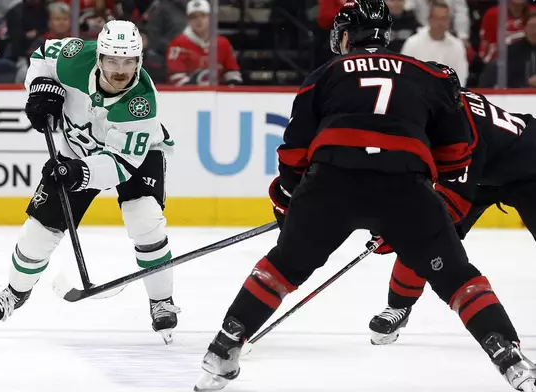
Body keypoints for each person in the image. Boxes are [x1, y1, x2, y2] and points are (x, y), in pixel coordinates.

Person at [193, 0, 536, 390]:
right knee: (459, 278)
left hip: (331, 183)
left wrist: (289, 207)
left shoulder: (322, 75)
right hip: (404, 188)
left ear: (344, 36)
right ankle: (509, 356)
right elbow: (457, 155)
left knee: (281, 267)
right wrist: (421, 220)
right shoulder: (429, 75)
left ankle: (223, 349)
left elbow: (292, 156)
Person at [0, 20, 180, 345]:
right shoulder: (75, 58)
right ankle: (14, 293)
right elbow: (42, 55)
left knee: (145, 220)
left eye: (129, 61)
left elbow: (121, 165)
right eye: (113, 60)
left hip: (135, 158)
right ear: (99, 57)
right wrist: (40, 88)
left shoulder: (141, 104)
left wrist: (78, 172)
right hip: (76, 150)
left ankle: (162, 301)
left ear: (139, 61)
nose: (120, 70)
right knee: (37, 234)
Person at [369, 64, 536, 352]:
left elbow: (450, 204)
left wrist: (400, 227)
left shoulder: (462, 128)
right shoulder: (443, 106)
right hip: (487, 171)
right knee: (426, 238)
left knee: (428, 228)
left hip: (528, 169)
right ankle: (398, 307)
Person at [166, 0, 242, 86]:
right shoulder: (177, 44)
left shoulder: (223, 43)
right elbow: (177, 78)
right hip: (189, 97)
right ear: (188, 20)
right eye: (193, 17)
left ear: (211, 18)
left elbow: (232, 73)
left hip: (218, 96)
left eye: (203, 15)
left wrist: (231, 87)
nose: (199, 20)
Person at [401, 2, 468, 86]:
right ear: (429, 19)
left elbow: (461, 76)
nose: (440, 23)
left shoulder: (457, 46)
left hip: (448, 95)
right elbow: (404, 73)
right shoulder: (412, 43)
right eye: (437, 18)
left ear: (449, 21)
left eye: (443, 19)